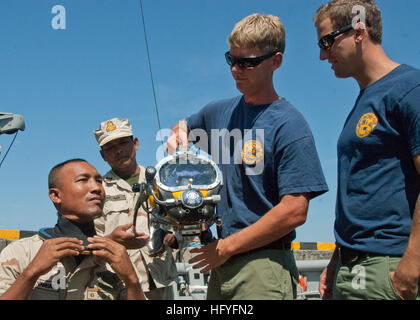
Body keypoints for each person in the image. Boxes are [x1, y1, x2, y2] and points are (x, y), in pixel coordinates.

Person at [166, 13, 328, 300]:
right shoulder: (219, 111)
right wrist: (176, 136)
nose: (236, 70)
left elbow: (294, 210)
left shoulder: (290, 125)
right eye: (231, 60)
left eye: (247, 63)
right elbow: (184, 125)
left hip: (263, 267)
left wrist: (226, 248)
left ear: (276, 61)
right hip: (222, 263)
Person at [314, 0, 420, 300]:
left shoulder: (410, 89)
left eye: (327, 41)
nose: (323, 55)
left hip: (388, 268)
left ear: (359, 31)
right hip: (352, 265)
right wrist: (337, 260)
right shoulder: (365, 100)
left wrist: (409, 270)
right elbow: (366, 193)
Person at [0, 159, 145, 300]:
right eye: (83, 180)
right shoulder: (22, 253)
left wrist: (132, 281)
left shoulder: (114, 257)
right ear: (56, 195)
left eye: (99, 181)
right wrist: (30, 273)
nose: (97, 188)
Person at [93, 118, 178, 300]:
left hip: (159, 278)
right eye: (110, 147)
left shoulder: (161, 182)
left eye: (123, 142)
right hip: (117, 284)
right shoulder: (96, 190)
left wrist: (172, 237)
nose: (119, 150)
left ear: (136, 143)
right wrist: (112, 241)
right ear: (102, 155)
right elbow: (90, 238)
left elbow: (179, 225)